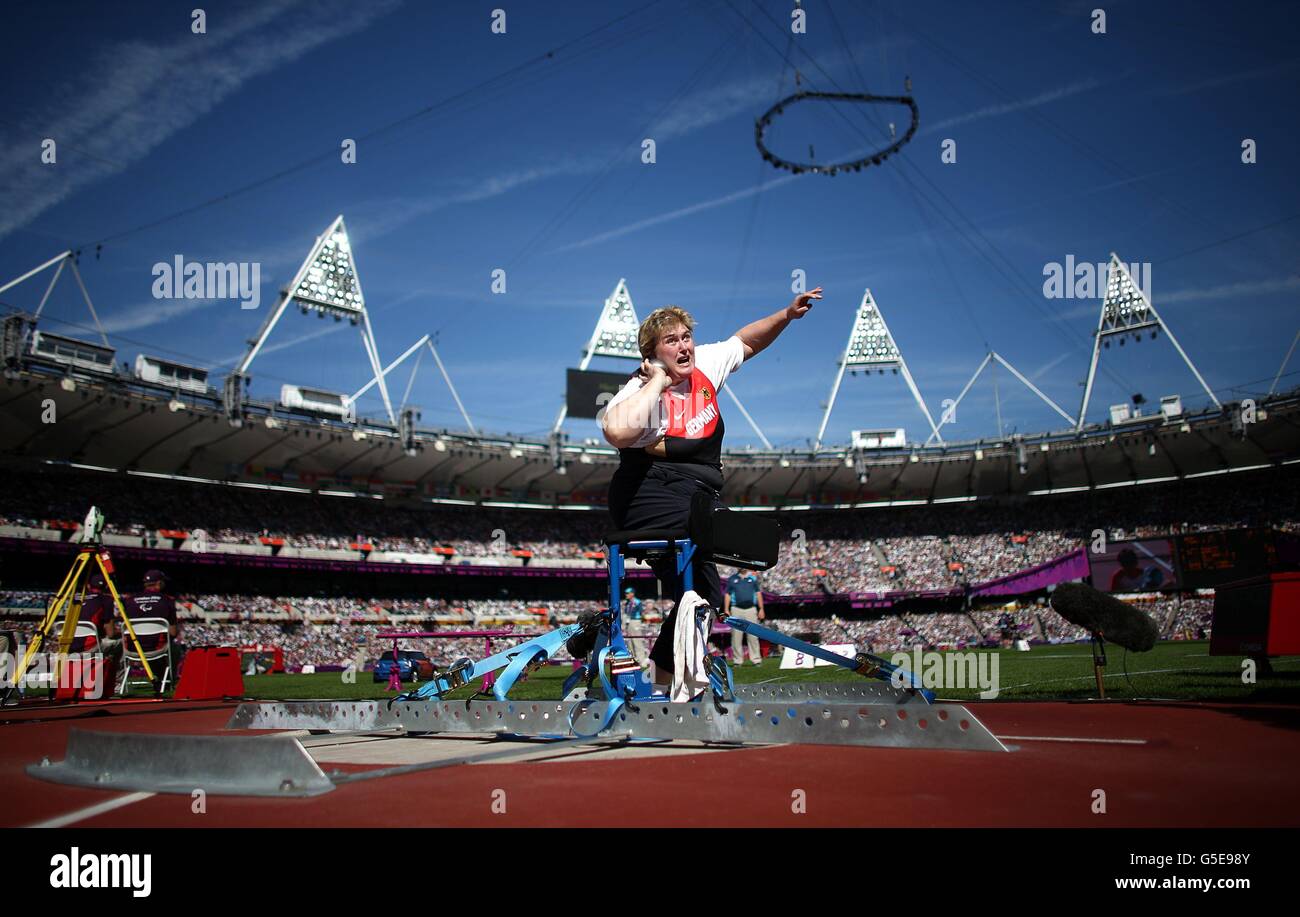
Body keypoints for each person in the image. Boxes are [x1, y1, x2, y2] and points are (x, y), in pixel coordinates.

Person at [597, 286, 822, 680]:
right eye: (671, 340)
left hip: (696, 495)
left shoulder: (705, 367)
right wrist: (657, 383)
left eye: (687, 337)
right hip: (648, 493)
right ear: (652, 354)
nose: (684, 346)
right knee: (717, 534)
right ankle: (660, 667)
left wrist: (786, 315)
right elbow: (615, 431)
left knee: (704, 597)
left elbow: (745, 342)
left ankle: (666, 674)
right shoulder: (639, 389)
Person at [123, 569, 184, 691]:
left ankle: (120, 683)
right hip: (157, 648)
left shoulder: (129, 601)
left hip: (133, 648)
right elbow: (172, 633)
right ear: (159, 583)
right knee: (175, 648)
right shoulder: (167, 600)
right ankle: (168, 680)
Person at [724, 568, 765, 665]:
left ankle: (756, 660)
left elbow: (758, 593)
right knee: (736, 636)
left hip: (751, 609)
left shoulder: (752, 578)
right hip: (736, 609)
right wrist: (726, 609)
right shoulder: (732, 579)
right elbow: (727, 595)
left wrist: (761, 608)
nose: (741, 567)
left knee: (753, 636)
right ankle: (737, 661)